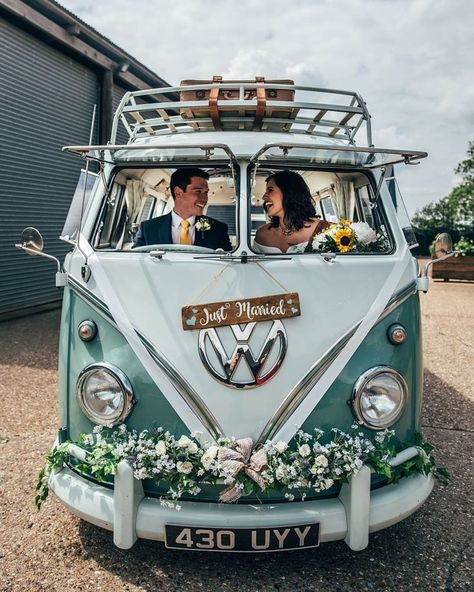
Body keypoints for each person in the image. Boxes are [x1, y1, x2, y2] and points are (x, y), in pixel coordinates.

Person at [133, 167, 232, 251]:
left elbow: (229, 265)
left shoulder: (219, 229)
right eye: (198, 192)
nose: (205, 198)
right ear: (178, 192)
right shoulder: (148, 229)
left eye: (206, 192)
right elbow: (136, 264)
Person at [253, 171, 331, 253]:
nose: (264, 197)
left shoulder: (326, 230)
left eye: (270, 190)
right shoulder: (262, 234)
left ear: (288, 192)